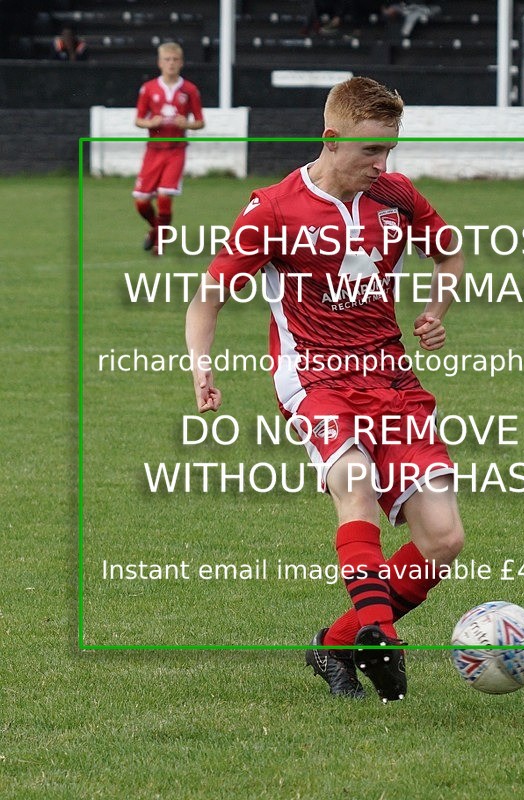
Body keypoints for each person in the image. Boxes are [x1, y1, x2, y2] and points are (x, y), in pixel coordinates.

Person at [185, 77, 465, 702]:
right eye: (371, 152)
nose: (382, 164)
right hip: (312, 377)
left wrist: (437, 310)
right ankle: (380, 634)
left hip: (390, 377)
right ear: (332, 140)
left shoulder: (395, 196)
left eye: (389, 150)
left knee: (443, 540)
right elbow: (209, 295)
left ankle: (338, 643)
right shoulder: (275, 209)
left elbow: (449, 255)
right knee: (355, 483)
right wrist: (200, 365)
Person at [132, 42, 205, 253]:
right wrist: (151, 123)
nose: (171, 64)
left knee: (164, 196)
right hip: (153, 150)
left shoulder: (190, 90)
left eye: (174, 60)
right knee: (141, 202)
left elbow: (200, 121)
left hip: (176, 150)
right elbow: (138, 120)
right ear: (159, 63)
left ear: (181, 63)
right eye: (167, 60)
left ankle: (159, 242)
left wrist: (187, 124)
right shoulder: (148, 89)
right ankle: (157, 231)